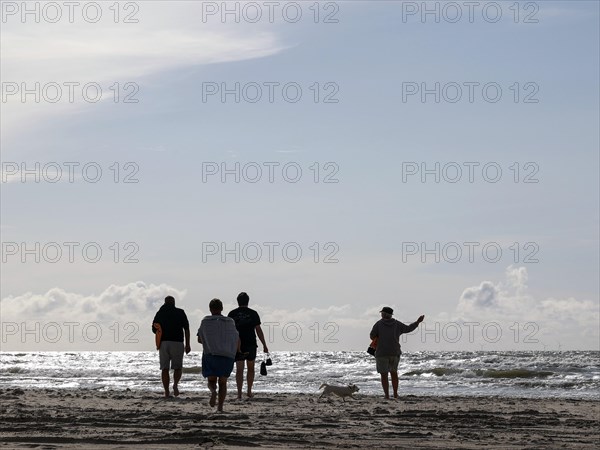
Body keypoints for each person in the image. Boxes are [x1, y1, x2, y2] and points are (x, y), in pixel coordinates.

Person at [370, 307, 424, 399]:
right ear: (391, 315)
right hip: (394, 352)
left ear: (383, 314)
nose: (381, 315)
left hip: (382, 352)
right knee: (394, 373)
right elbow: (408, 329)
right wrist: (417, 322)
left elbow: (372, 336)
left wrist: (379, 337)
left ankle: (387, 395)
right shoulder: (397, 324)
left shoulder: (378, 324)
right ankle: (395, 394)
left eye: (382, 313)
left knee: (384, 375)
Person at [197, 298, 240, 412]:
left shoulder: (205, 321)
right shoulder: (230, 322)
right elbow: (236, 338)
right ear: (221, 308)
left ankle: (213, 392)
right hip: (227, 356)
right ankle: (220, 407)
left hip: (211, 354)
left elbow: (200, 339)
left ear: (210, 309)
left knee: (211, 381)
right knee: (223, 382)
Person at [228, 292, 269, 399]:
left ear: (238, 301)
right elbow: (258, 330)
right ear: (248, 301)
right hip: (251, 343)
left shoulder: (232, 314)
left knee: (239, 369)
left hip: (238, 345)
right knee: (250, 368)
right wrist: (264, 345)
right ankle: (249, 391)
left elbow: (229, 331)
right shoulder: (253, 313)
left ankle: (239, 394)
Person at [151, 296, 191, 398]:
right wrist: (188, 344)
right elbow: (186, 329)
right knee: (177, 367)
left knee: (165, 369)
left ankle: (166, 392)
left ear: (165, 303)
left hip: (164, 343)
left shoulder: (160, 313)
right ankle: (175, 385)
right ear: (174, 303)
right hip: (177, 343)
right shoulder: (180, 312)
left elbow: (153, 328)